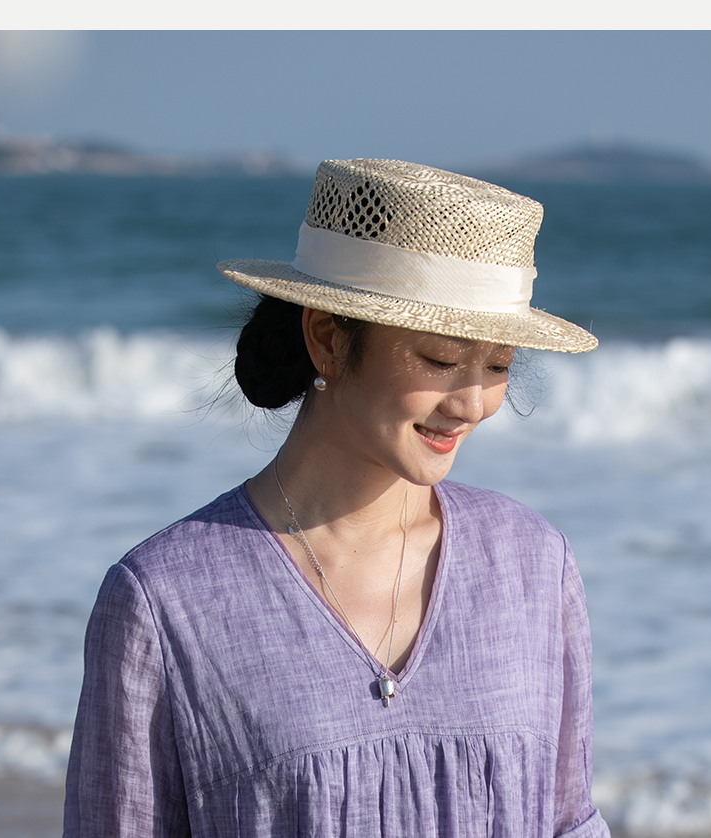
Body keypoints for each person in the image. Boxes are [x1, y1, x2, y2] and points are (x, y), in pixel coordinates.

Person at [63, 158, 609, 837]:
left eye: (498, 365)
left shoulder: (533, 565)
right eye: (441, 360)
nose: (472, 403)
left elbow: (568, 820)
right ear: (326, 337)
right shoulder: (166, 601)